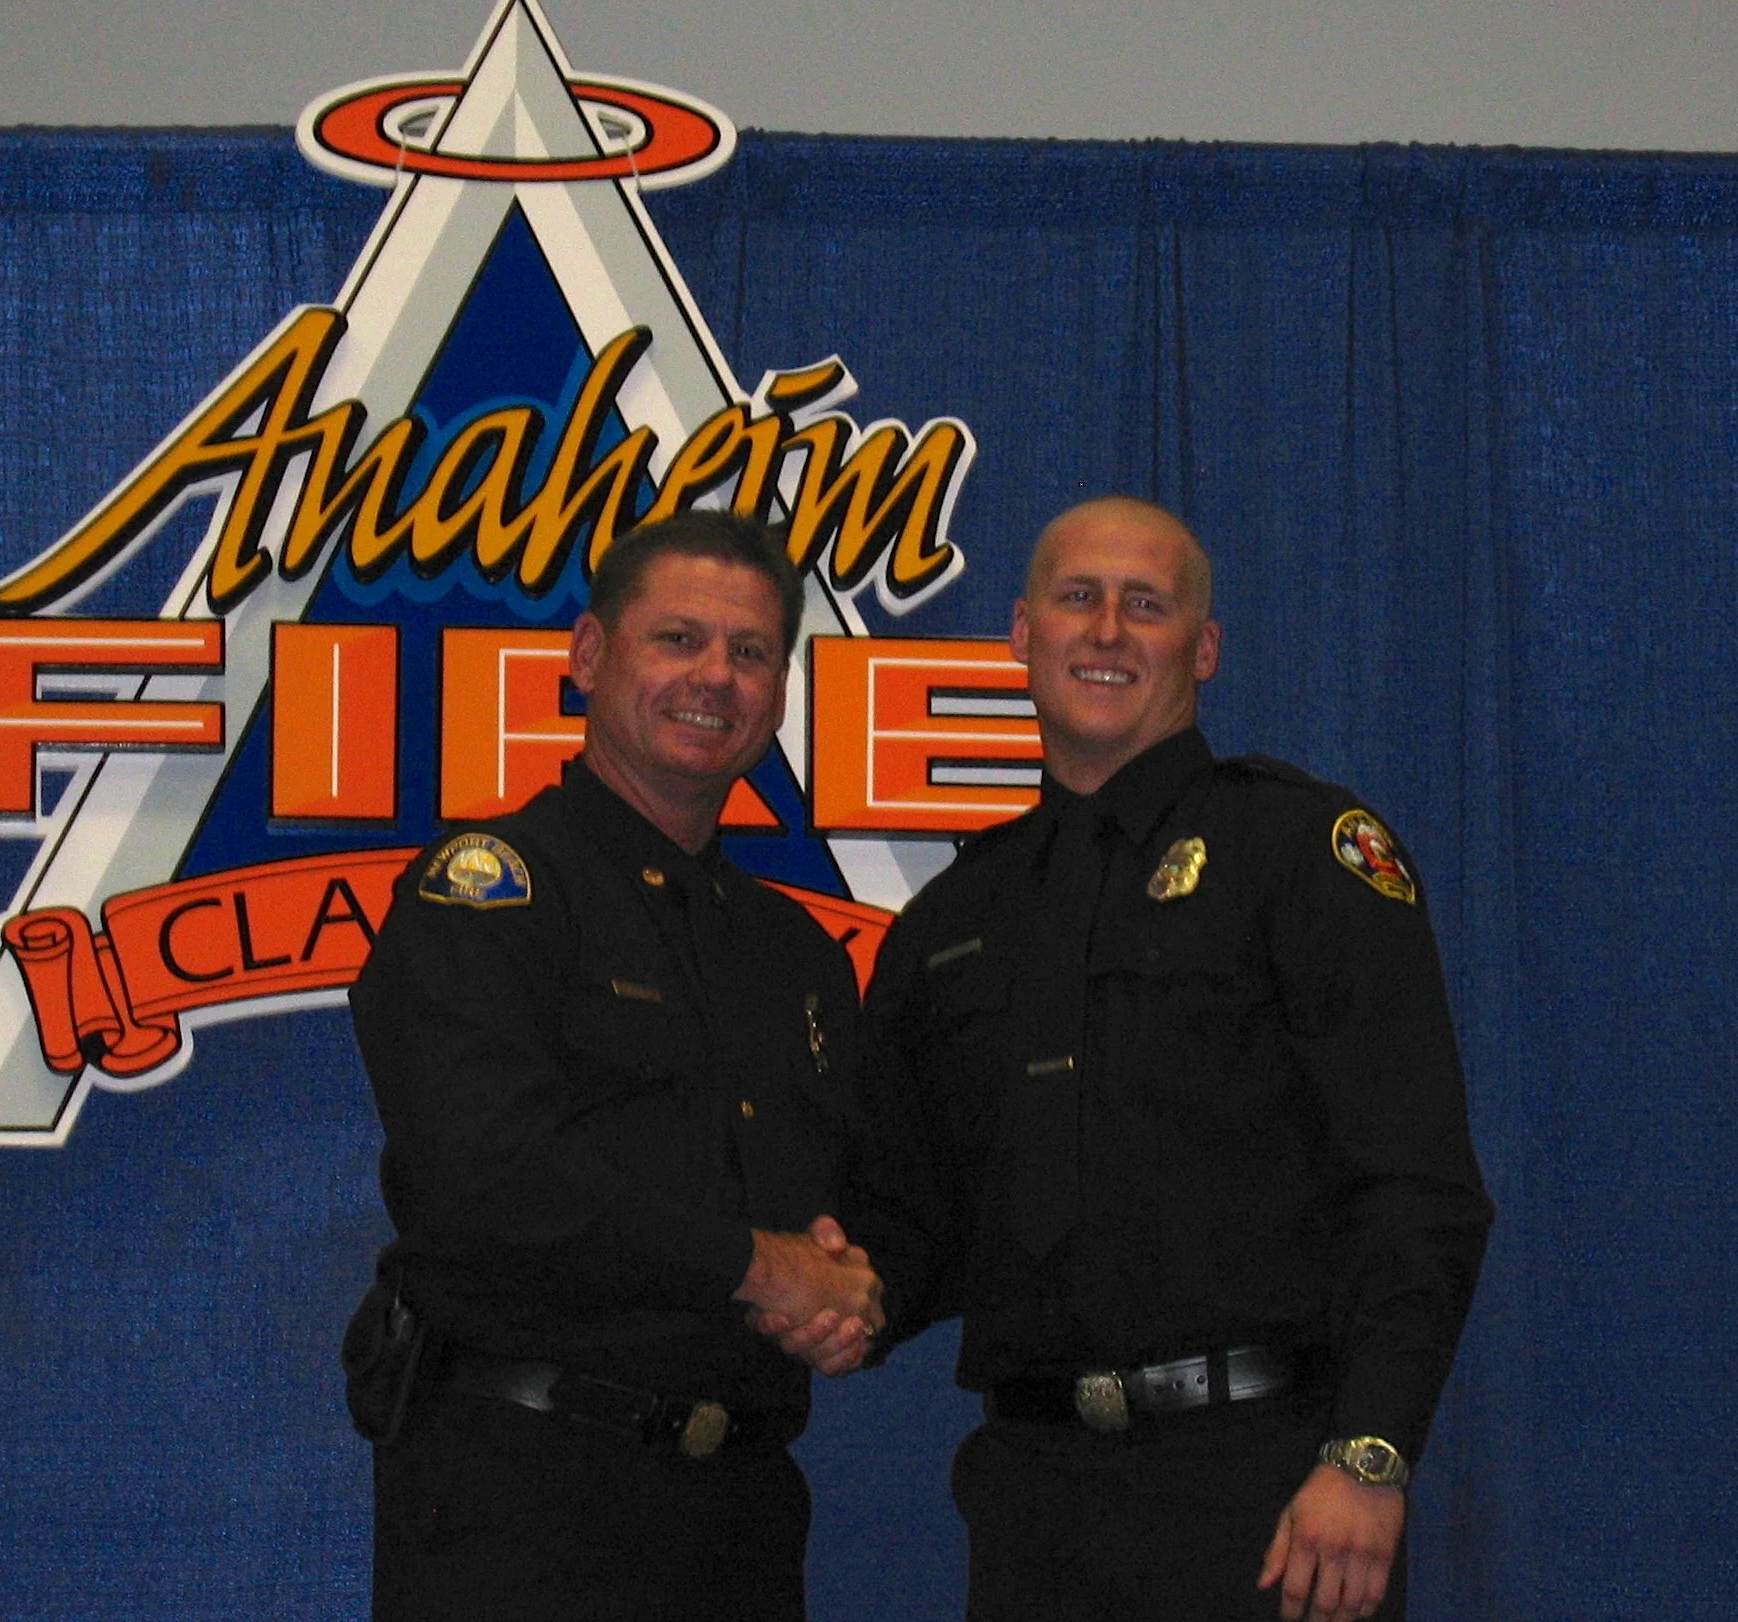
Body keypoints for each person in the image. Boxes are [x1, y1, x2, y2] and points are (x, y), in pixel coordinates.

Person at [837, 496, 1493, 1622]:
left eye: (1145, 605)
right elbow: (911, 1216)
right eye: (1075, 597)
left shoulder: (1299, 852)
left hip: (1271, 1493)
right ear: (1018, 633)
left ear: (1203, 648)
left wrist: (1369, 1455)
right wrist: (808, 1287)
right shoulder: (951, 918)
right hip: (1032, 1501)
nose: (1104, 630)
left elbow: (1415, 1186)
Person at [345, 508, 882, 1622]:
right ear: (590, 654)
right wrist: (761, 1267)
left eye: (750, 652)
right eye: (676, 638)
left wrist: (846, 1289)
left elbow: (828, 1203)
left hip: (739, 1515)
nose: (715, 678)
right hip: (524, 1505)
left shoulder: (794, 956)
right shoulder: (492, 891)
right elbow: (486, 1174)